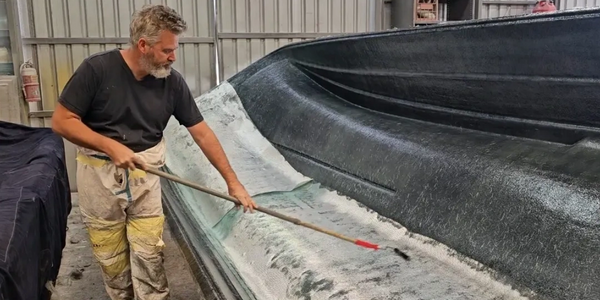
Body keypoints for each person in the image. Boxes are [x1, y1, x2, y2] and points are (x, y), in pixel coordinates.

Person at [51, 4, 257, 300]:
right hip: (99, 178)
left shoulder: (171, 83)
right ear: (143, 45)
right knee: (112, 260)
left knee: (150, 256)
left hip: (146, 178)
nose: (173, 57)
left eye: (175, 49)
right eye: (166, 50)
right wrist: (110, 145)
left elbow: (202, 132)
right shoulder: (96, 70)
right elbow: (61, 120)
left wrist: (233, 182)